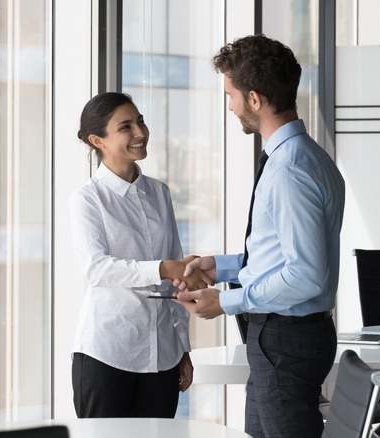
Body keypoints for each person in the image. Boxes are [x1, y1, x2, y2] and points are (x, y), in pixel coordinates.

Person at [174, 35, 346, 437]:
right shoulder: (308, 157)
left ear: (254, 99)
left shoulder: (288, 169)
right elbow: (282, 253)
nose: (230, 106)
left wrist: (227, 301)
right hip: (283, 340)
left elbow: (306, 275)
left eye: (230, 95)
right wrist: (222, 266)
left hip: (286, 340)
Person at [69, 92, 212, 418]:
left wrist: (182, 350)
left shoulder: (160, 192)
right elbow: (98, 269)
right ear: (97, 140)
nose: (140, 132)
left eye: (141, 121)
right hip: (107, 356)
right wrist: (163, 268)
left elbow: (178, 281)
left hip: (162, 357)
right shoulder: (88, 199)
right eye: (126, 127)